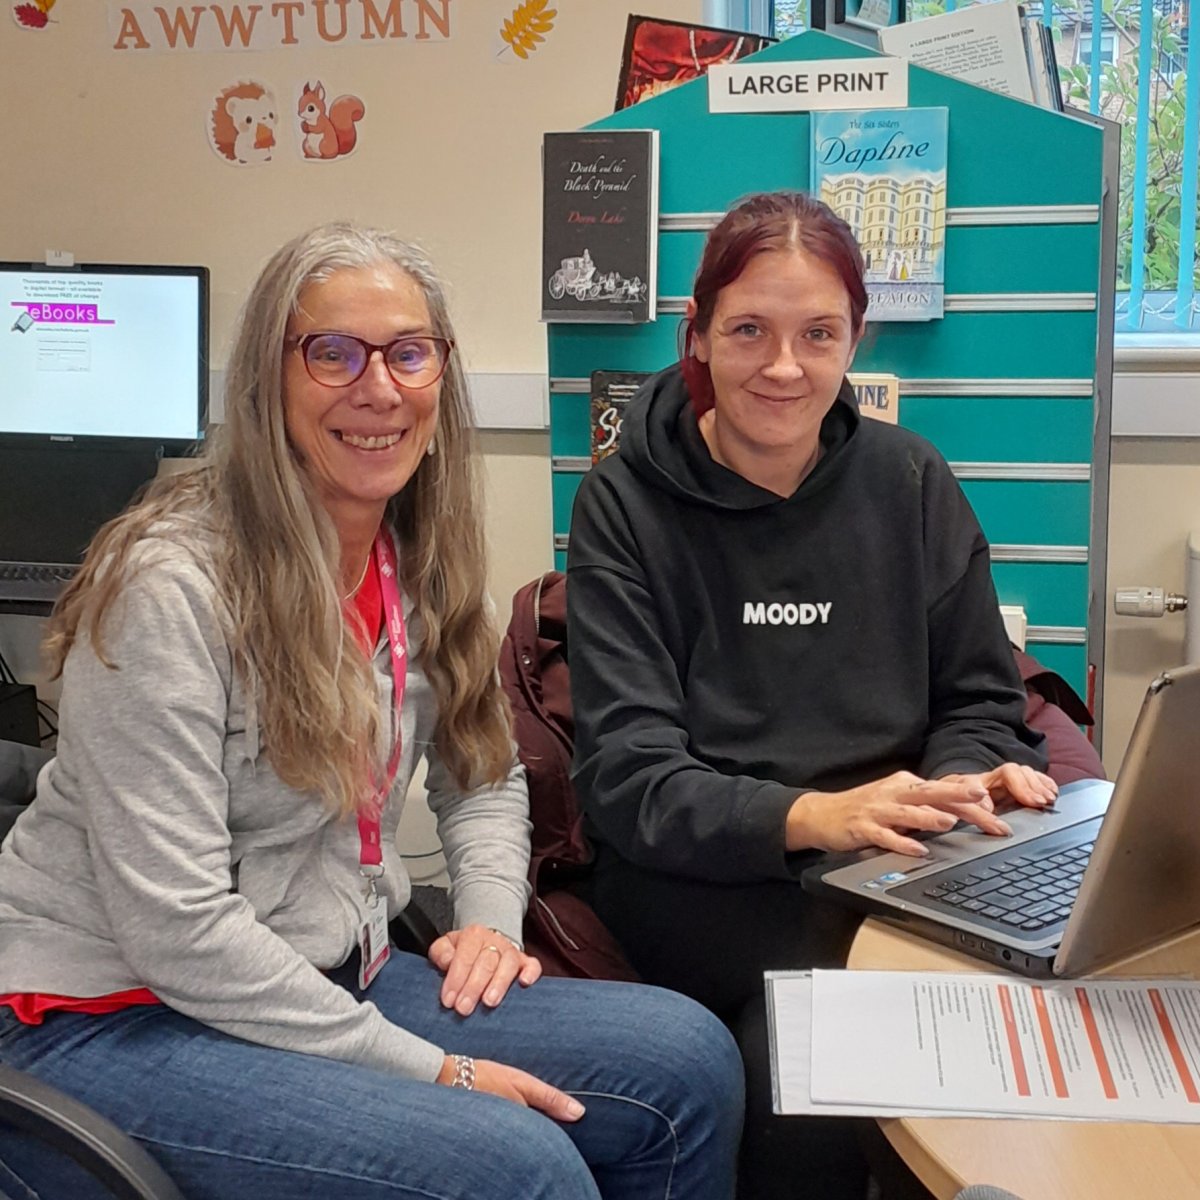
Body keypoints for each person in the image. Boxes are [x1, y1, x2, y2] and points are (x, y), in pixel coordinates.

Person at [0, 222, 744, 1200]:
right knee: (516, 1169)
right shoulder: (169, 587)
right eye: (333, 353)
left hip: (321, 972)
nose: (378, 388)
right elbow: (176, 929)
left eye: (408, 352)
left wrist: (487, 923)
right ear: (270, 381)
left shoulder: (419, 563)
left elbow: (481, 768)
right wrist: (436, 1070)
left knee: (686, 1058)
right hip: (111, 1011)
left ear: (442, 374)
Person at [566, 191, 1057, 1200]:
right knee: (812, 1077)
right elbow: (631, 779)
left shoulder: (912, 479)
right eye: (748, 330)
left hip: (896, 861)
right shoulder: (622, 503)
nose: (784, 368)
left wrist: (959, 788)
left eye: (817, 334)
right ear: (696, 333)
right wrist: (822, 815)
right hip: (706, 883)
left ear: (854, 339)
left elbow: (978, 698)